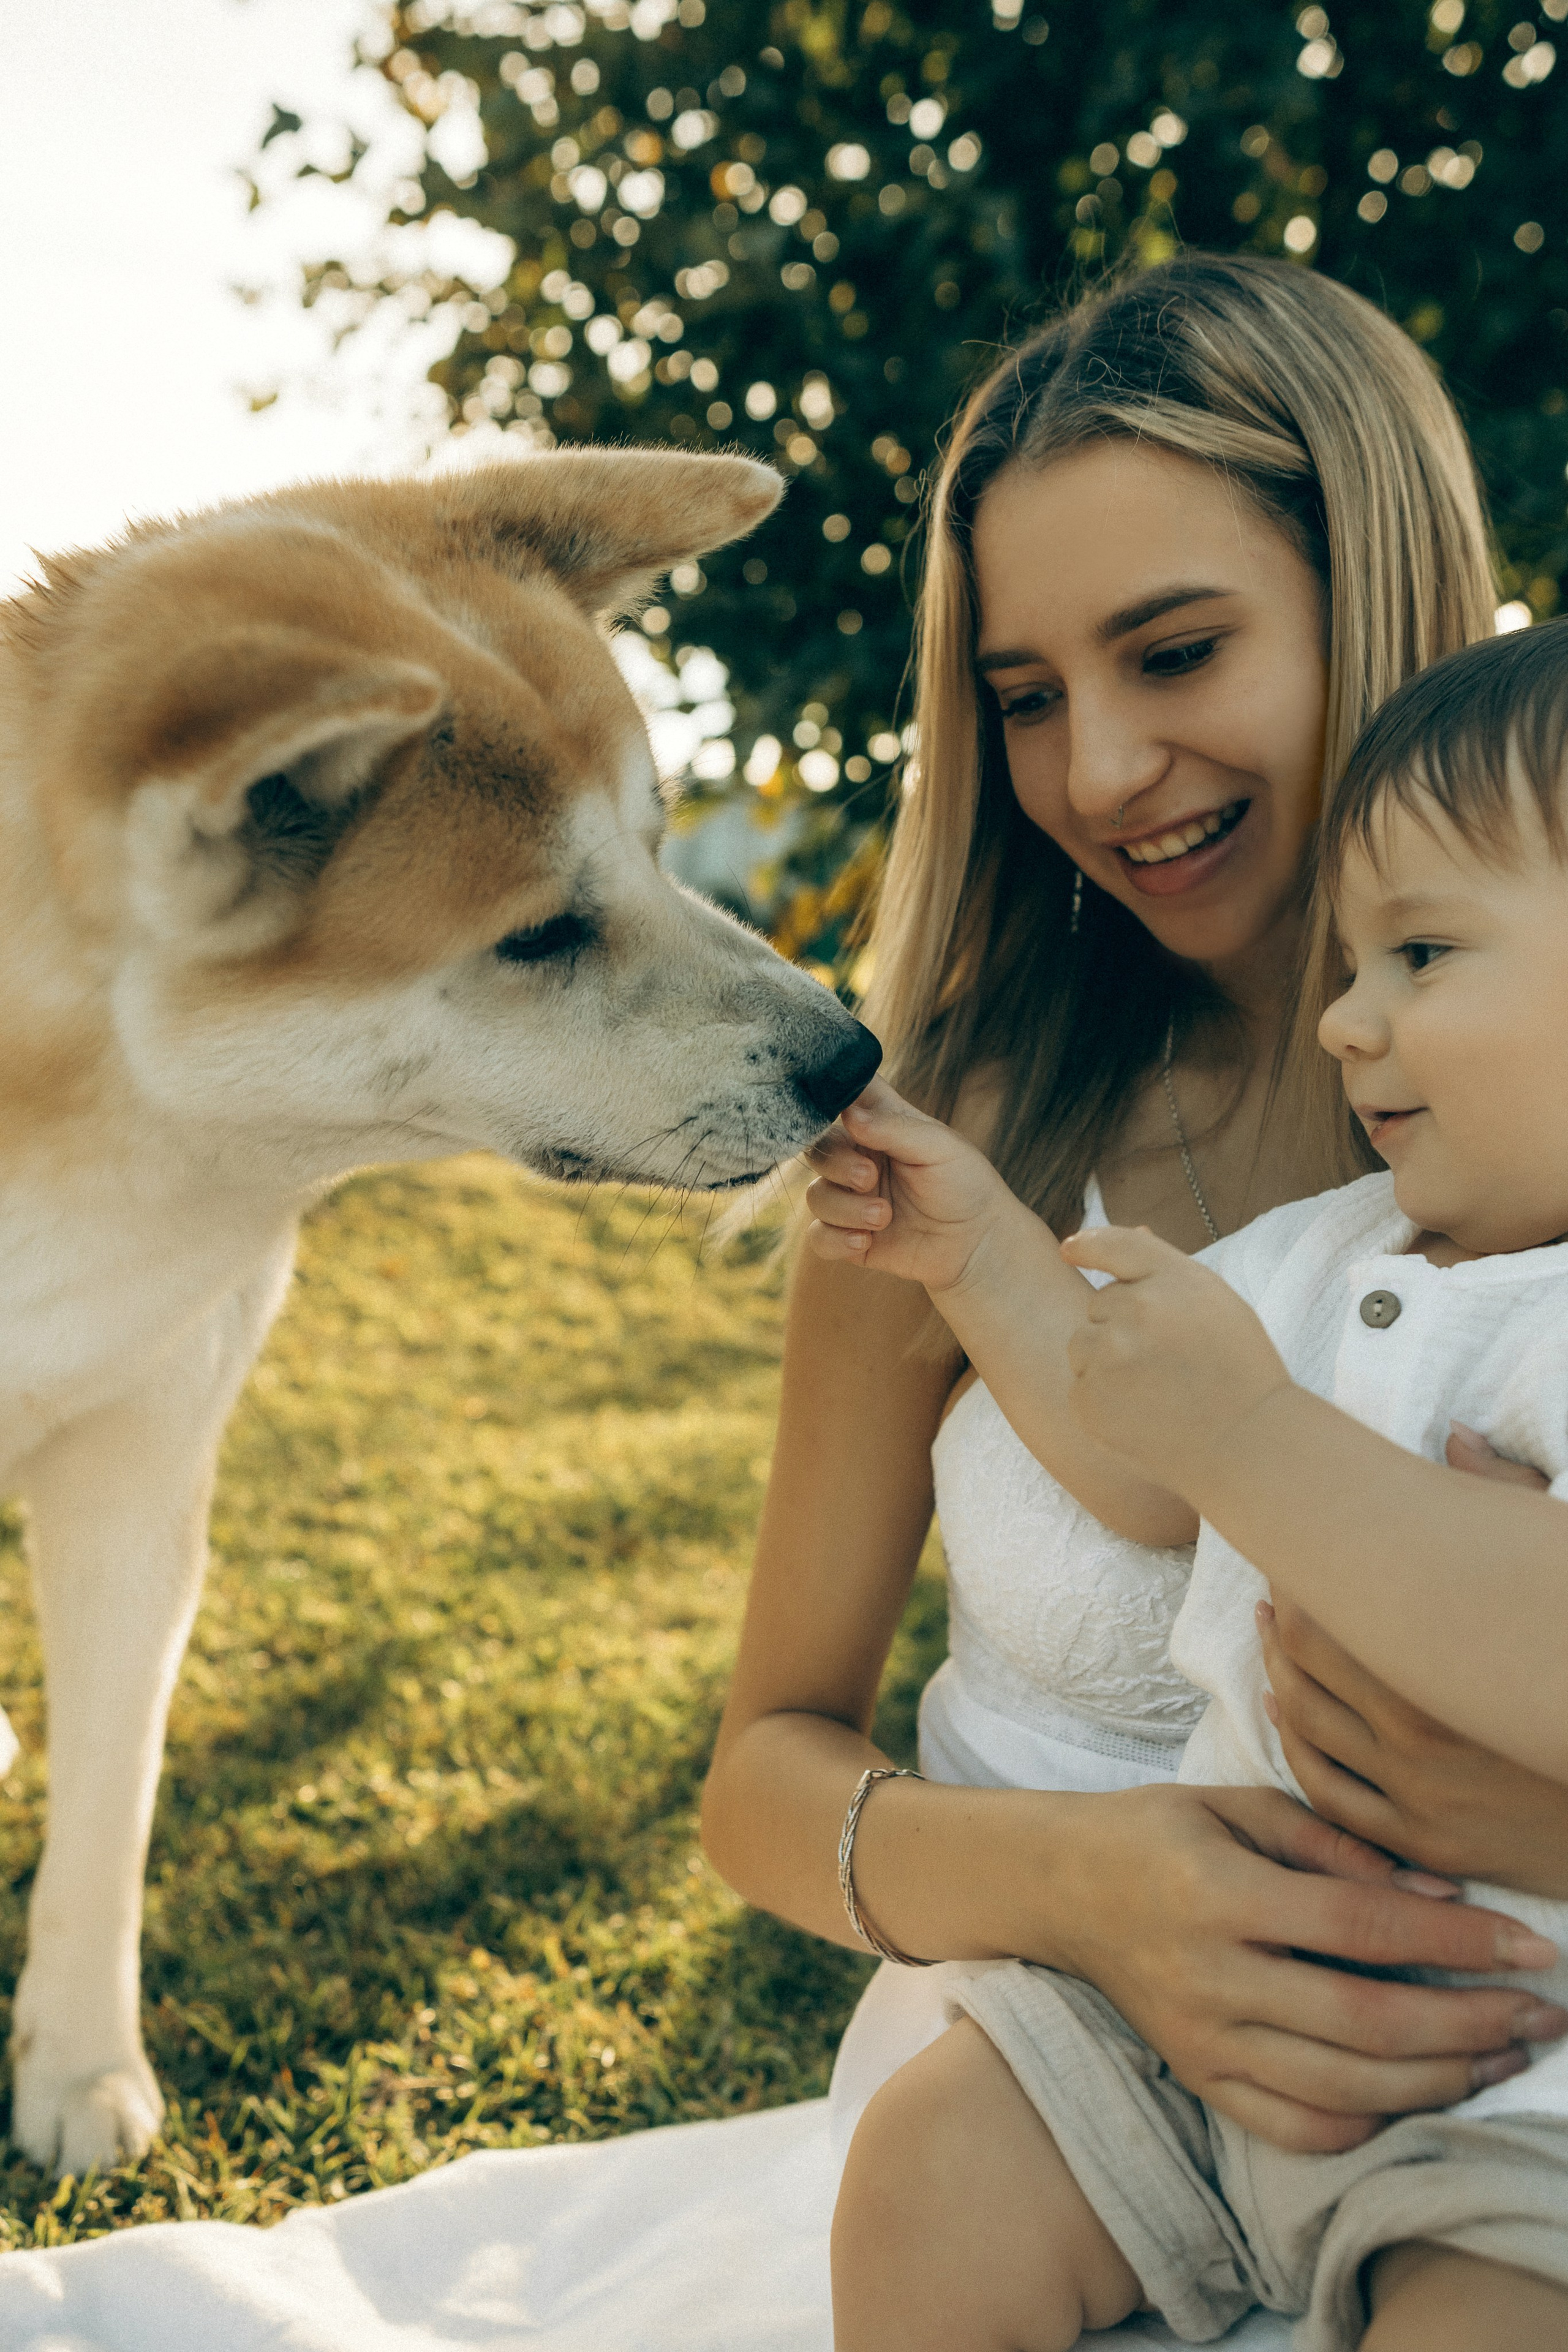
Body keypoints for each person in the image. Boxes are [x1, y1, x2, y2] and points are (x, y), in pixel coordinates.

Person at [700, 248, 1568, 2234]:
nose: (1094, 772)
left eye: (1175, 655)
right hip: (1042, 2085)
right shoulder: (974, 1128)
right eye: (1026, 698)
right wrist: (1106, 1897)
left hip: (1509, 2108)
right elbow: (760, 1775)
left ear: (1380, 592)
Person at [809, 617, 1568, 2350]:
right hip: (1193, 2028)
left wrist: (1252, 1438)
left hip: (1519, 2079)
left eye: (1424, 955)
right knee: (936, 2170)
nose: (1346, 1024)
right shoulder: (1340, 1248)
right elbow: (1140, 1455)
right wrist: (984, 1252)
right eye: (1351, 964)